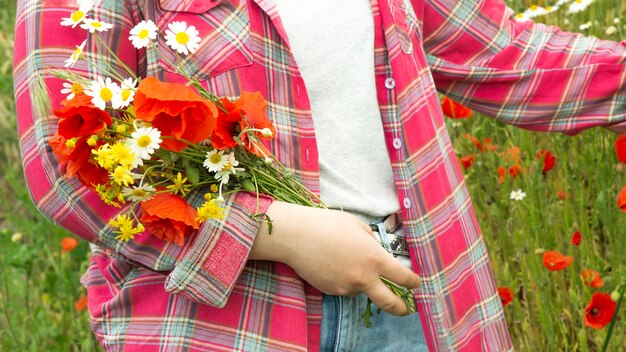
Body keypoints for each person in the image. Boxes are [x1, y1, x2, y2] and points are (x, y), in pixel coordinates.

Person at [13, 0, 626, 351]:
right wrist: (277, 231)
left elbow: (503, 52)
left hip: (412, 296)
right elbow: (65, 157)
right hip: (225, 320)